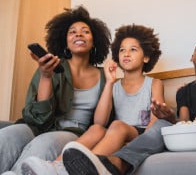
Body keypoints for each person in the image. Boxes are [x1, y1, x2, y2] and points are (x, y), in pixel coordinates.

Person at [61, 38, 196, 175]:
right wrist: (169, 118)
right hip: (193, 136)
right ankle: (115, 164)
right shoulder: (183, 92)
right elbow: (182, 123)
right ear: (192, 57)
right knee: (162, 125)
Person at [21, 24, 164, 175]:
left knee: (117, 125)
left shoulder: (154, 84)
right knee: (96, 129)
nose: (126, 54)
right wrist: (109, 83)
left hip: (140, 133)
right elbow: (100, 122)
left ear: (147, 57)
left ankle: (90, 164)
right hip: (114, 132)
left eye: (133, 49)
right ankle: (57, 166)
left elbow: (156, 120)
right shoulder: (113, 85)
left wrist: (138, 145)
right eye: (122, 50)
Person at [0, 5, 111, 174]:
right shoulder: (50, 66)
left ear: (94, 40)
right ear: (64, 41)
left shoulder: (106, 76)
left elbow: (103, 123)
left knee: (45, 142)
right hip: (38, 126)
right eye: (72, 32)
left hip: (73, 133)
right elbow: (38, 119)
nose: (79, 34)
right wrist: (46, 76)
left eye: (85, 31)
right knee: (10, 134)